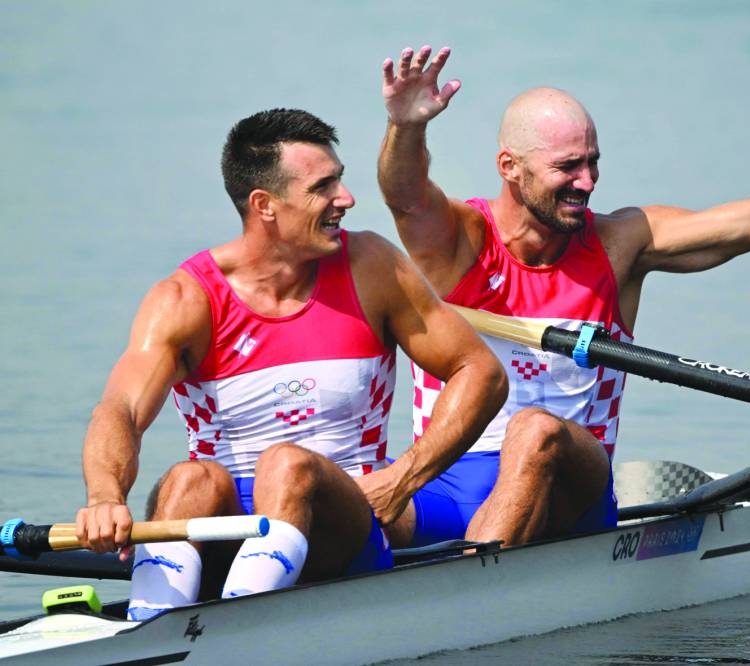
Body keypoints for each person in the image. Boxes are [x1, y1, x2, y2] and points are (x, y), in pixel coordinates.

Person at [377, 45, 750, 549]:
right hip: (444, 486)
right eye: (568, 167)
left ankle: (472, 598)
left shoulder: (620, 245)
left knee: (535, 430)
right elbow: (405, 194)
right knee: (310, 483)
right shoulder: (461, 242)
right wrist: (406, 126)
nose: (588, 182)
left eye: (593, 162)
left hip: (568, 484)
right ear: (510, 167)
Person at [74, 108, 507, 620]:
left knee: (287, 464)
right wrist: (105, 496)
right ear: (265, 206)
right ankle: (149, 625)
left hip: (343, 523)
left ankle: (242, 629)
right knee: (190, 481)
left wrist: (404, 478)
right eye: (324, 187)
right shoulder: (184, 300)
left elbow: (480, 370)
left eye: (340, 180)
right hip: (226, 528)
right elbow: (119, 409)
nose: (345, 199)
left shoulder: (372, 267)